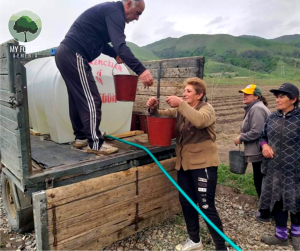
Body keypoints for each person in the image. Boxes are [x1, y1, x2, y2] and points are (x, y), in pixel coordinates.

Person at [55, 0, 153, 155]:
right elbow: (120, 44)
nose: (137, 18)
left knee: (77, 98)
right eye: (137, 13)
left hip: (66, 53)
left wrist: (114, 54)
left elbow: (102, 43)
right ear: (128, 4)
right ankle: (96, 144)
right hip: (74, 53)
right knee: (92, 99)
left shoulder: (108, 12)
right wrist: (141, 70)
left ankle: (81, 138)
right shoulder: (115, 12)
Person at [147, 77, 227, 251]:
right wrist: (153, 108)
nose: (184, 93)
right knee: (187, 202)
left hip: (203, 165)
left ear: (200, 95)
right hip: (184, 165)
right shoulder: (181, 111)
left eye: (188, 91)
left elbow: (199, 121)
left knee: (206, 206)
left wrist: (180, 104)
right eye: (184, 91)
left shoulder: (207, 109)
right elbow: (162, 114)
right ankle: (194, 240)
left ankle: (221, 247)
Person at [259, 83, 300, 250]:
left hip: (296, 171)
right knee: (277, 201)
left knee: (297, 202)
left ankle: (296, 235)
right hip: (274, 169)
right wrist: (264, 146)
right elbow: (262, 136)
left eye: (282, 96)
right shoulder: (272, 117)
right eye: (277, 96)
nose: (277, 99)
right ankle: (281, 235)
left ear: (294, 99)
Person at [234, 84, 271, 223]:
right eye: (243, 93)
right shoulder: (255, 107)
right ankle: (266, 211)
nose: (244, 96)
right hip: (258, 151)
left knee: (261, 182)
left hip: (260, 153)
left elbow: (257, 132)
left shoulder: (257, 109)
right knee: (261, 181)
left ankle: (265, 214)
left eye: (247, 94)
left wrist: (241, 137)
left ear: (256, 96)